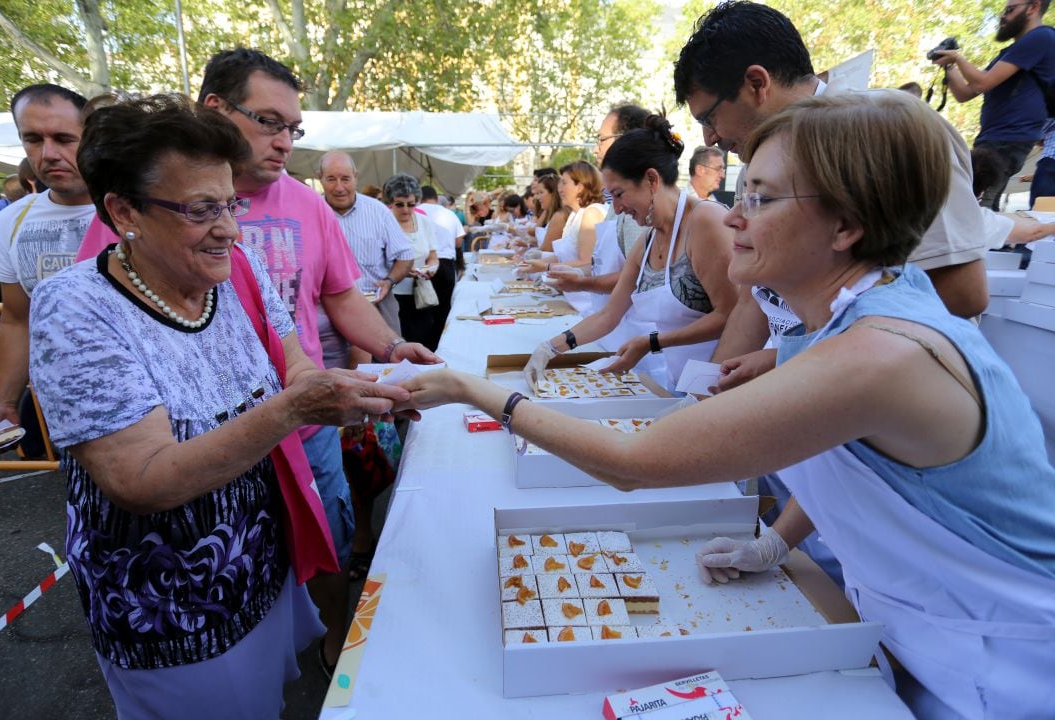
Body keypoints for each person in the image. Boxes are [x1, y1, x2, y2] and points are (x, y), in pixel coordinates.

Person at [403, 91, 1055, 720]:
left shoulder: (878, 353)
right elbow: (855, 461)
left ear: (848, 226)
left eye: (762, 199)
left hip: (1010, 665)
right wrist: (775, 542)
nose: (734, 217)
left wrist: (473, 388)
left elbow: (632, 462)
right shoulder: (839, 320)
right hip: (931, 635)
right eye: (741, 193)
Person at [27, 94, 412, 718]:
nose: (231, 228)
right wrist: (294, 410)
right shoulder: (75, 308)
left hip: (261, 566)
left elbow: (295, 364)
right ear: (123, 210)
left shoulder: (236, 265)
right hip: (171, 609)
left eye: (230, 203)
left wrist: (343, 391)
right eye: (203, 209)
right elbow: (139, 478)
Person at [675, 0, 1003, 589]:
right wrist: (712, 396)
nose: (711, 139)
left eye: (709, 117)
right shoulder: (778, 161)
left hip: (893, 453)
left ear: (755, 83)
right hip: (807, 435)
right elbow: (757, 300)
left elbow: (961, 291)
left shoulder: (884, 131)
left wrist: (796, 363)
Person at [524, 116, 737, 388]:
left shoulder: (705, 222)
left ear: (651, 179)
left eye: (619, 194)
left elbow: (730, 314)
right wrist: (550, 348)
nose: (618, 208)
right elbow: (608, 315)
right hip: (679, 379)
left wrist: (653, 342)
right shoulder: (649, 238)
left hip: (718, 380)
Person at [0, 84, 94, 457]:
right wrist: (4, 400)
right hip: (67, 415)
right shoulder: (13, 220)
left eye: (63, 138)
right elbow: (16, 318)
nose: (49, 154)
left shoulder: (139, 206)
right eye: (33, 139)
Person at [932, 0, 1055, 210]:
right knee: (968, 205)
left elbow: (982, 82)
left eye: (1009, 10)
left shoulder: (1041, 37)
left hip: (1009, 141)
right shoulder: (1011, 53)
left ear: (1033, 7)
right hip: (994, 140)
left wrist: (957, 57)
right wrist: (949, 65)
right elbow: (965, 93)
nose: (1002, 17)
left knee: (979, 209)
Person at [545, 105, 650, 317]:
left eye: (601, 139)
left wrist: (583, 280)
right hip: (612, 322)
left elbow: (639, 278)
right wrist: (573, 272)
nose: (596, 149)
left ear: (625, 140)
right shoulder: (617, 203)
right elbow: (600, 265)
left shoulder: (635, 206)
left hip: (632, 328)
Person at [317, 150, 414, 364]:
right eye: (331, 179)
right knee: (336, 373)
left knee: (390, 369)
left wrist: (389, 282)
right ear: (320, 179)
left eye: (345, 178)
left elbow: (405, 255)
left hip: (377, 305)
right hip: (326, 310)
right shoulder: (310, 211)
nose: (339, 187)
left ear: (356, 177)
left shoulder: (378, 211)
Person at [522, 161, 605, 278]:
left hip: (586, 294)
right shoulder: (575, 215)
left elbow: (587, 263)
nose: (559, 189)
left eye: (564, 183)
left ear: (580, 187)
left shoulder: (591, 214)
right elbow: (564, 257)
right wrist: (535, 262)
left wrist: (547, 266)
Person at [385, 174, 439, 349]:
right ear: (391, 202)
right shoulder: (384, 223)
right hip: (393, 294)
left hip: (421, 293)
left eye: (411, 204)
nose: (406, 210)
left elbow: (432, 254)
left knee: (423, 338)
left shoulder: (424, 222)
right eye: (400, 204)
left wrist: (431, 267)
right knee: (398, 343)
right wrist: (402, 271)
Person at [418, 184, 464, 346]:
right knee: (444, 309)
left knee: (423, 308)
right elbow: (459, 241)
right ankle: (441, 346)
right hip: (446, 264)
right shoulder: (449, 213)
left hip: (424, 265)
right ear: (436, 199)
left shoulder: (416, 212)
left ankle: (425, 345)